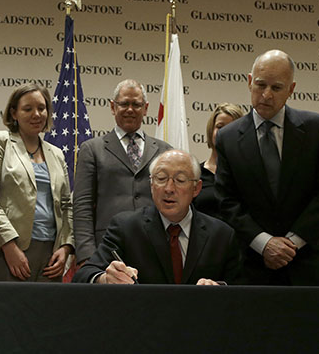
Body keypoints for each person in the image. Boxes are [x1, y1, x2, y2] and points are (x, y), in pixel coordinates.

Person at [215, 49, 319, 286]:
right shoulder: (227, 138)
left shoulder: (317, 129)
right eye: (260, 84)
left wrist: (291, 243)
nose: (266, 94)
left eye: (276, 88)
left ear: (291, 89)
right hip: (254, 270)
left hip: (313, 266)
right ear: (249, 82)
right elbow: (226, 201)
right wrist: (264, 243)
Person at [73, 149, 242, 285]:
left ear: (196, 188)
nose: (169, 188)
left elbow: (242, 289)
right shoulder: (126, 227)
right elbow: (84, 275)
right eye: (161, 178)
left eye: (180, 180)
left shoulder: (222, 235)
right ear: (151, 185)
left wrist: (220, 288)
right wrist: (105, 278)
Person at [73, 79, 172, 264]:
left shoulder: (164, 151)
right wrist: (86, 255)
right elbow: (82, 207)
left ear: (146, 108)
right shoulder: (92, 149)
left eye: (136, 104)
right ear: (112, 106)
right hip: (107, 248)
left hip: (157, 248)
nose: (130, 109)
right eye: (124, 104)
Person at [0, 83, 74, 282]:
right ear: (14, 113)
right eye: (28, 109)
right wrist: (8, 245)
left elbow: (67, 204)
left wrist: (66, 246)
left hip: (51, 252)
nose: (37, 114)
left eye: (42, 108)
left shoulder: (56, 153)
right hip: (10, 249)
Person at [192, 103, 244, 219]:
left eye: (233, 128)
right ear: (211, 131)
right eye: (220, 127)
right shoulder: (195, 174)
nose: (226, 132)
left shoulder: (249, 175)